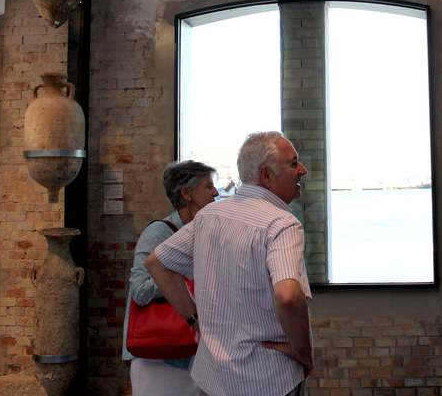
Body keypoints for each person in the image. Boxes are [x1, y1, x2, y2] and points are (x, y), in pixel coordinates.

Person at [145, 131, 313, 396]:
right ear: (266, 175)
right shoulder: (281, 224)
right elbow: (288, 297)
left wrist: (195, 320)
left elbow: (157, 263)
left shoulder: (209, 216)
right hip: (267, 379)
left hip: (213, 379)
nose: (302, 170)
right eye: (293, 164)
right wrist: (304, 353)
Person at [123, 160, 219, 396]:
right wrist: (177, 275)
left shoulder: (202, 232)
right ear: (187, 193)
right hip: (159, 358)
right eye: (208, 187)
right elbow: (140, 290)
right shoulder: (159, 232)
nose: (216, 192)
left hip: (192, 352)